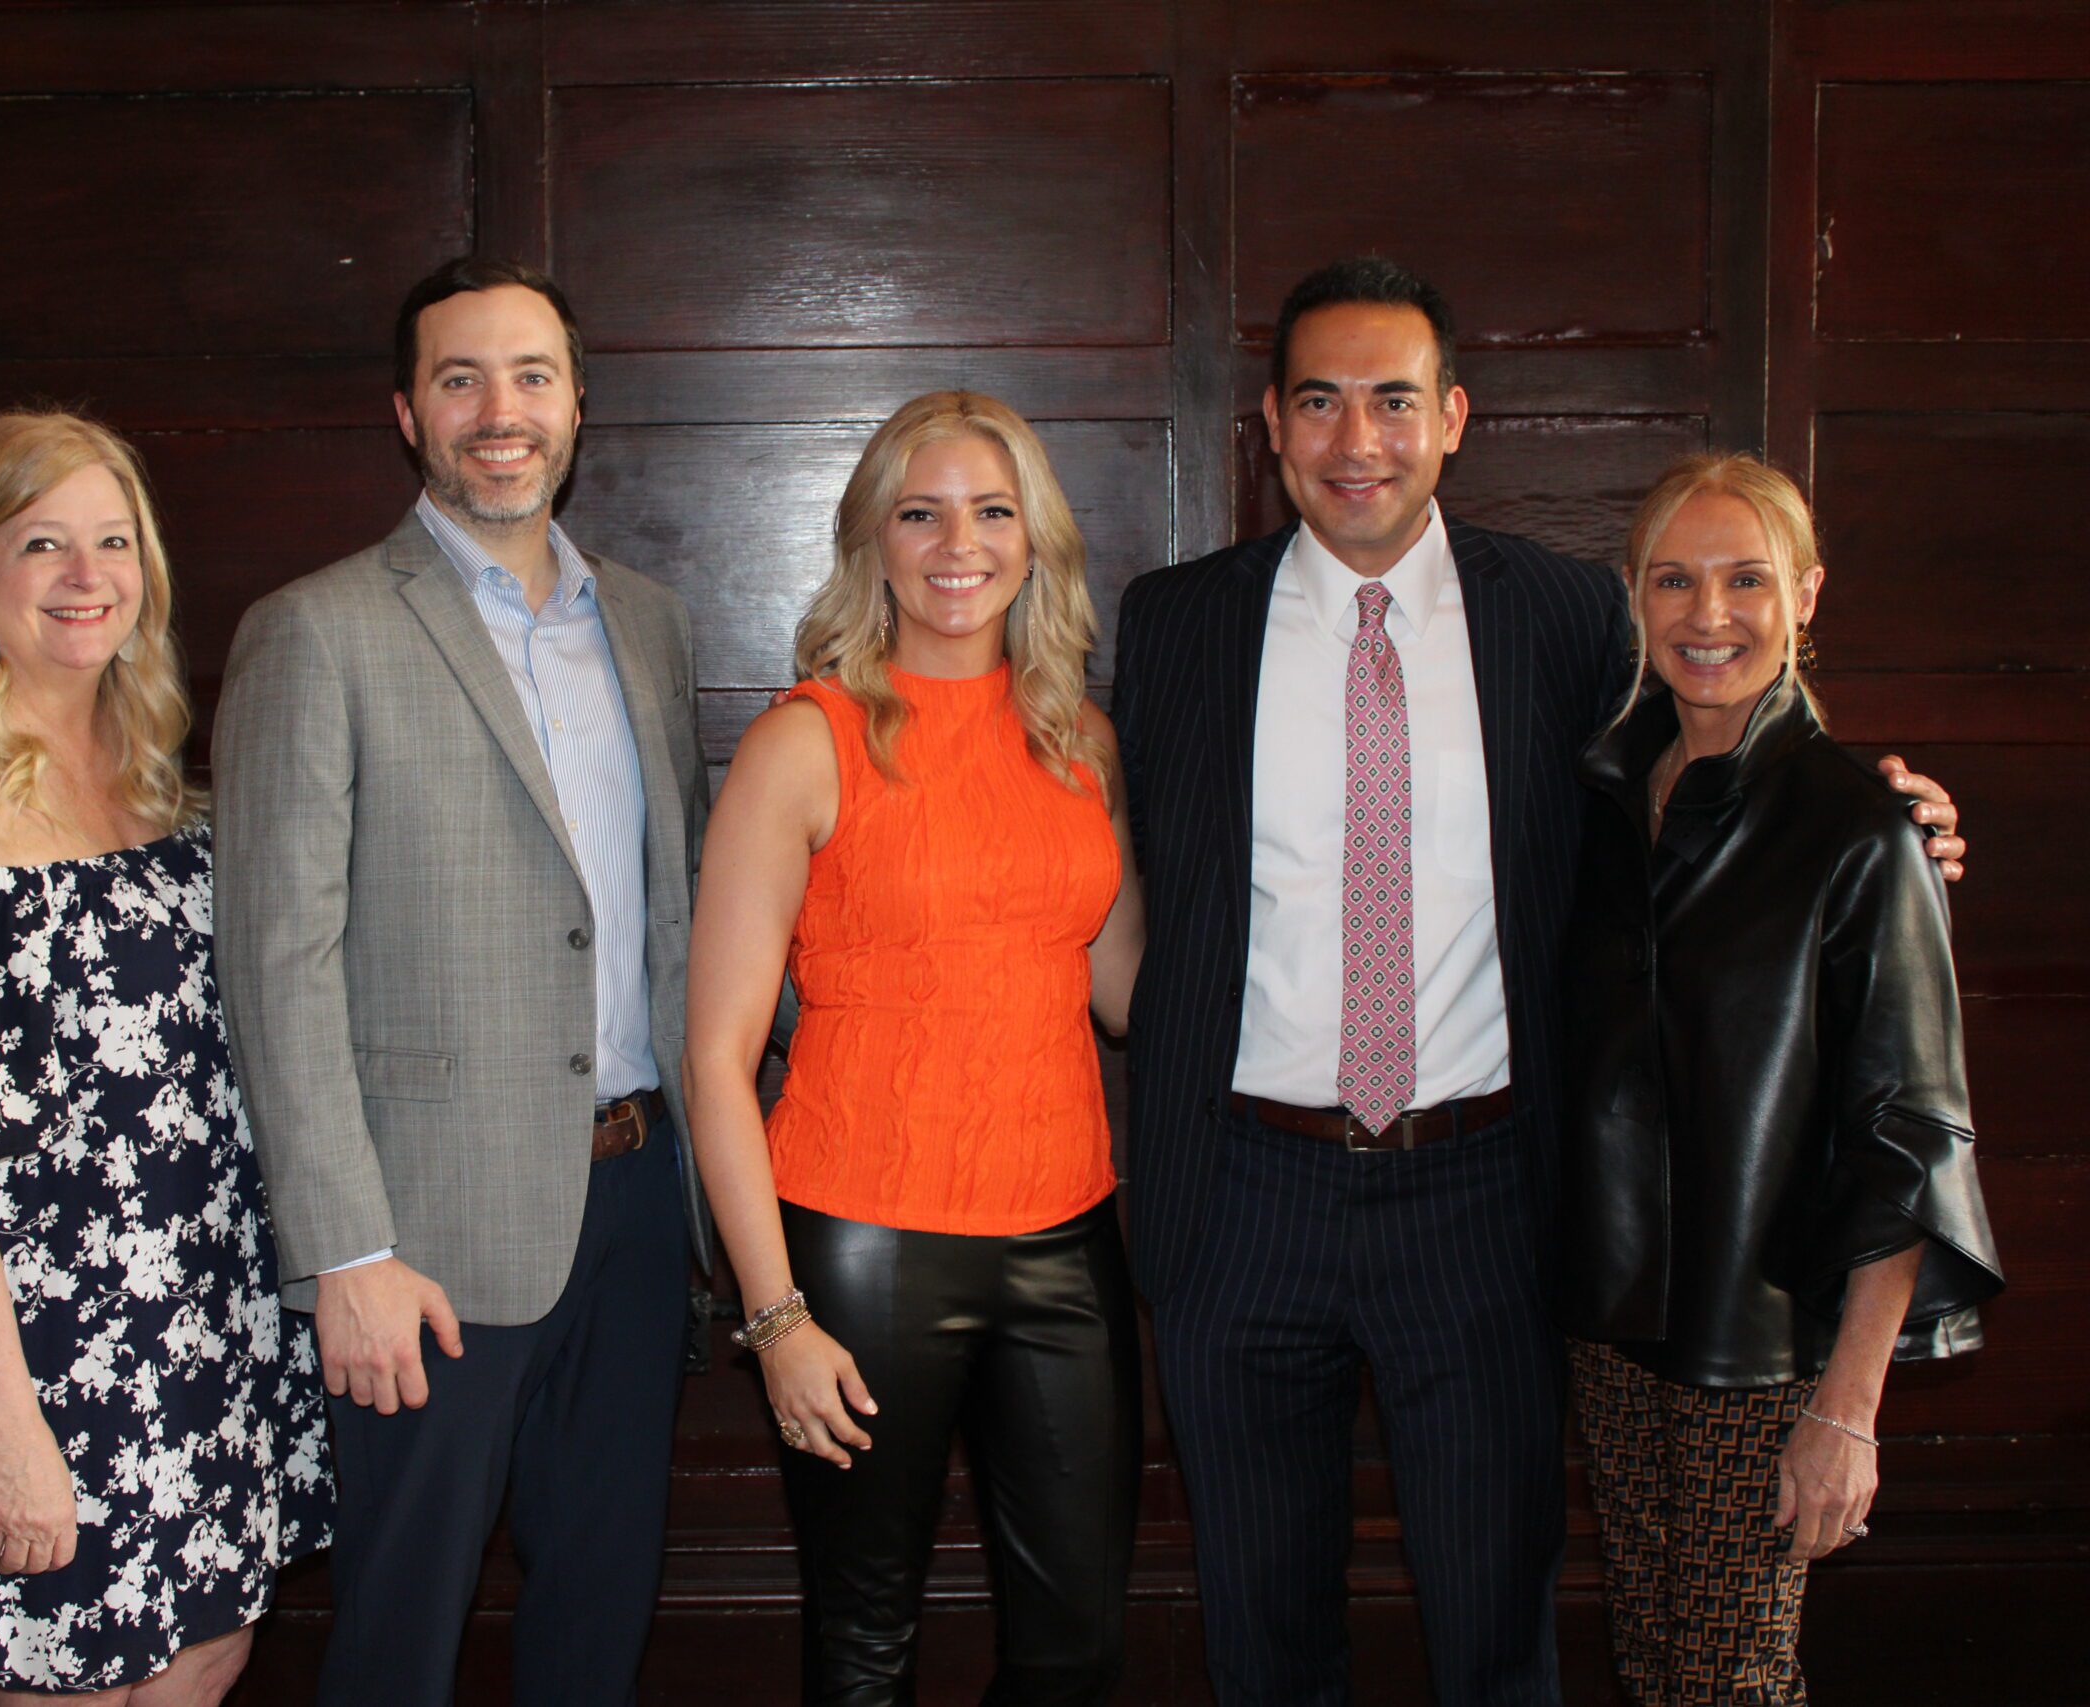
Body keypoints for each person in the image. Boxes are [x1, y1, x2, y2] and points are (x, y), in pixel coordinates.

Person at [1108, 257, 1969, 1706]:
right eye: (1319, 401)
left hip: (1482, 1198)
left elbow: (1714, 740)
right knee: (1258, 1635)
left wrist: (1889, 812)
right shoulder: (1174, 623)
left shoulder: (1566, 617)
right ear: (1269, 423)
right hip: (1241, 1195)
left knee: (1497, 1627)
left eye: (1394, 400)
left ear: (1454, 418)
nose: (1357, 439)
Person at [211, 255, 713, 1707]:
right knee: (397, 1645)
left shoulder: (649, 623)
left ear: (577, 405)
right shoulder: (316, 630)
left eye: (532, 376)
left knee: (599, 1621)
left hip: (635, 1203)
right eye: (460, 379)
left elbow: (671, 920)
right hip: (420, 1241)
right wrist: (344, 1252)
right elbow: (275, 962)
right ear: (407, 413)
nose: (502, 412)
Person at [0, 409, 331, 1707]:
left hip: (201, 1304)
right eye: (43, 542)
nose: (88, 574)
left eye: (114, 541)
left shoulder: (148, 769)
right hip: (41, 1340)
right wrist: (7, 1432)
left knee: (209, 1649)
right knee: (74, 1678)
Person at [683, 390, 1147, 1703]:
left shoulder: (1082, 741)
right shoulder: (803, 740)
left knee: (1076, 1652)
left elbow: (1126, 993)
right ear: (871, 542)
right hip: (862, 1249)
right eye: (920, 513)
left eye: (993, 511)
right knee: (864, 1648)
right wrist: (774, 1318)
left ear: (1035, 539)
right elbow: (717, 1057)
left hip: (1068, 1240)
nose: (960, 544)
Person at [1559, 452, 2001, 1706]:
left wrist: (1846, 1409)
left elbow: (1908, 1132)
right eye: (1673, 580)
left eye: (1745, 579)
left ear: (1805, 595)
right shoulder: (1602, 798)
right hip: (1613, 1331)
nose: (1709, 615)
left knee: (1730, 1683)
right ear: (1633, 597)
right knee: (1660, 1668)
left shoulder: (1861, 828)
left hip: (1762, 1353)